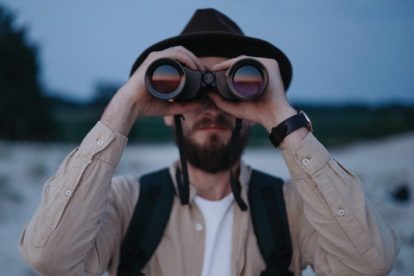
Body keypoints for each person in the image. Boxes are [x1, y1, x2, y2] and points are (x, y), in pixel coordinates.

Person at [19, 8, 398, 276]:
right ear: (167, 110)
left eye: (236, 87)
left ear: (254, 108)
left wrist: (283, 119)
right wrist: (126, 103)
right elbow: (48, 258)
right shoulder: (124, 202)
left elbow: (369, 265)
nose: (209, 105)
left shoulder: (293, 208)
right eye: (184, 86)